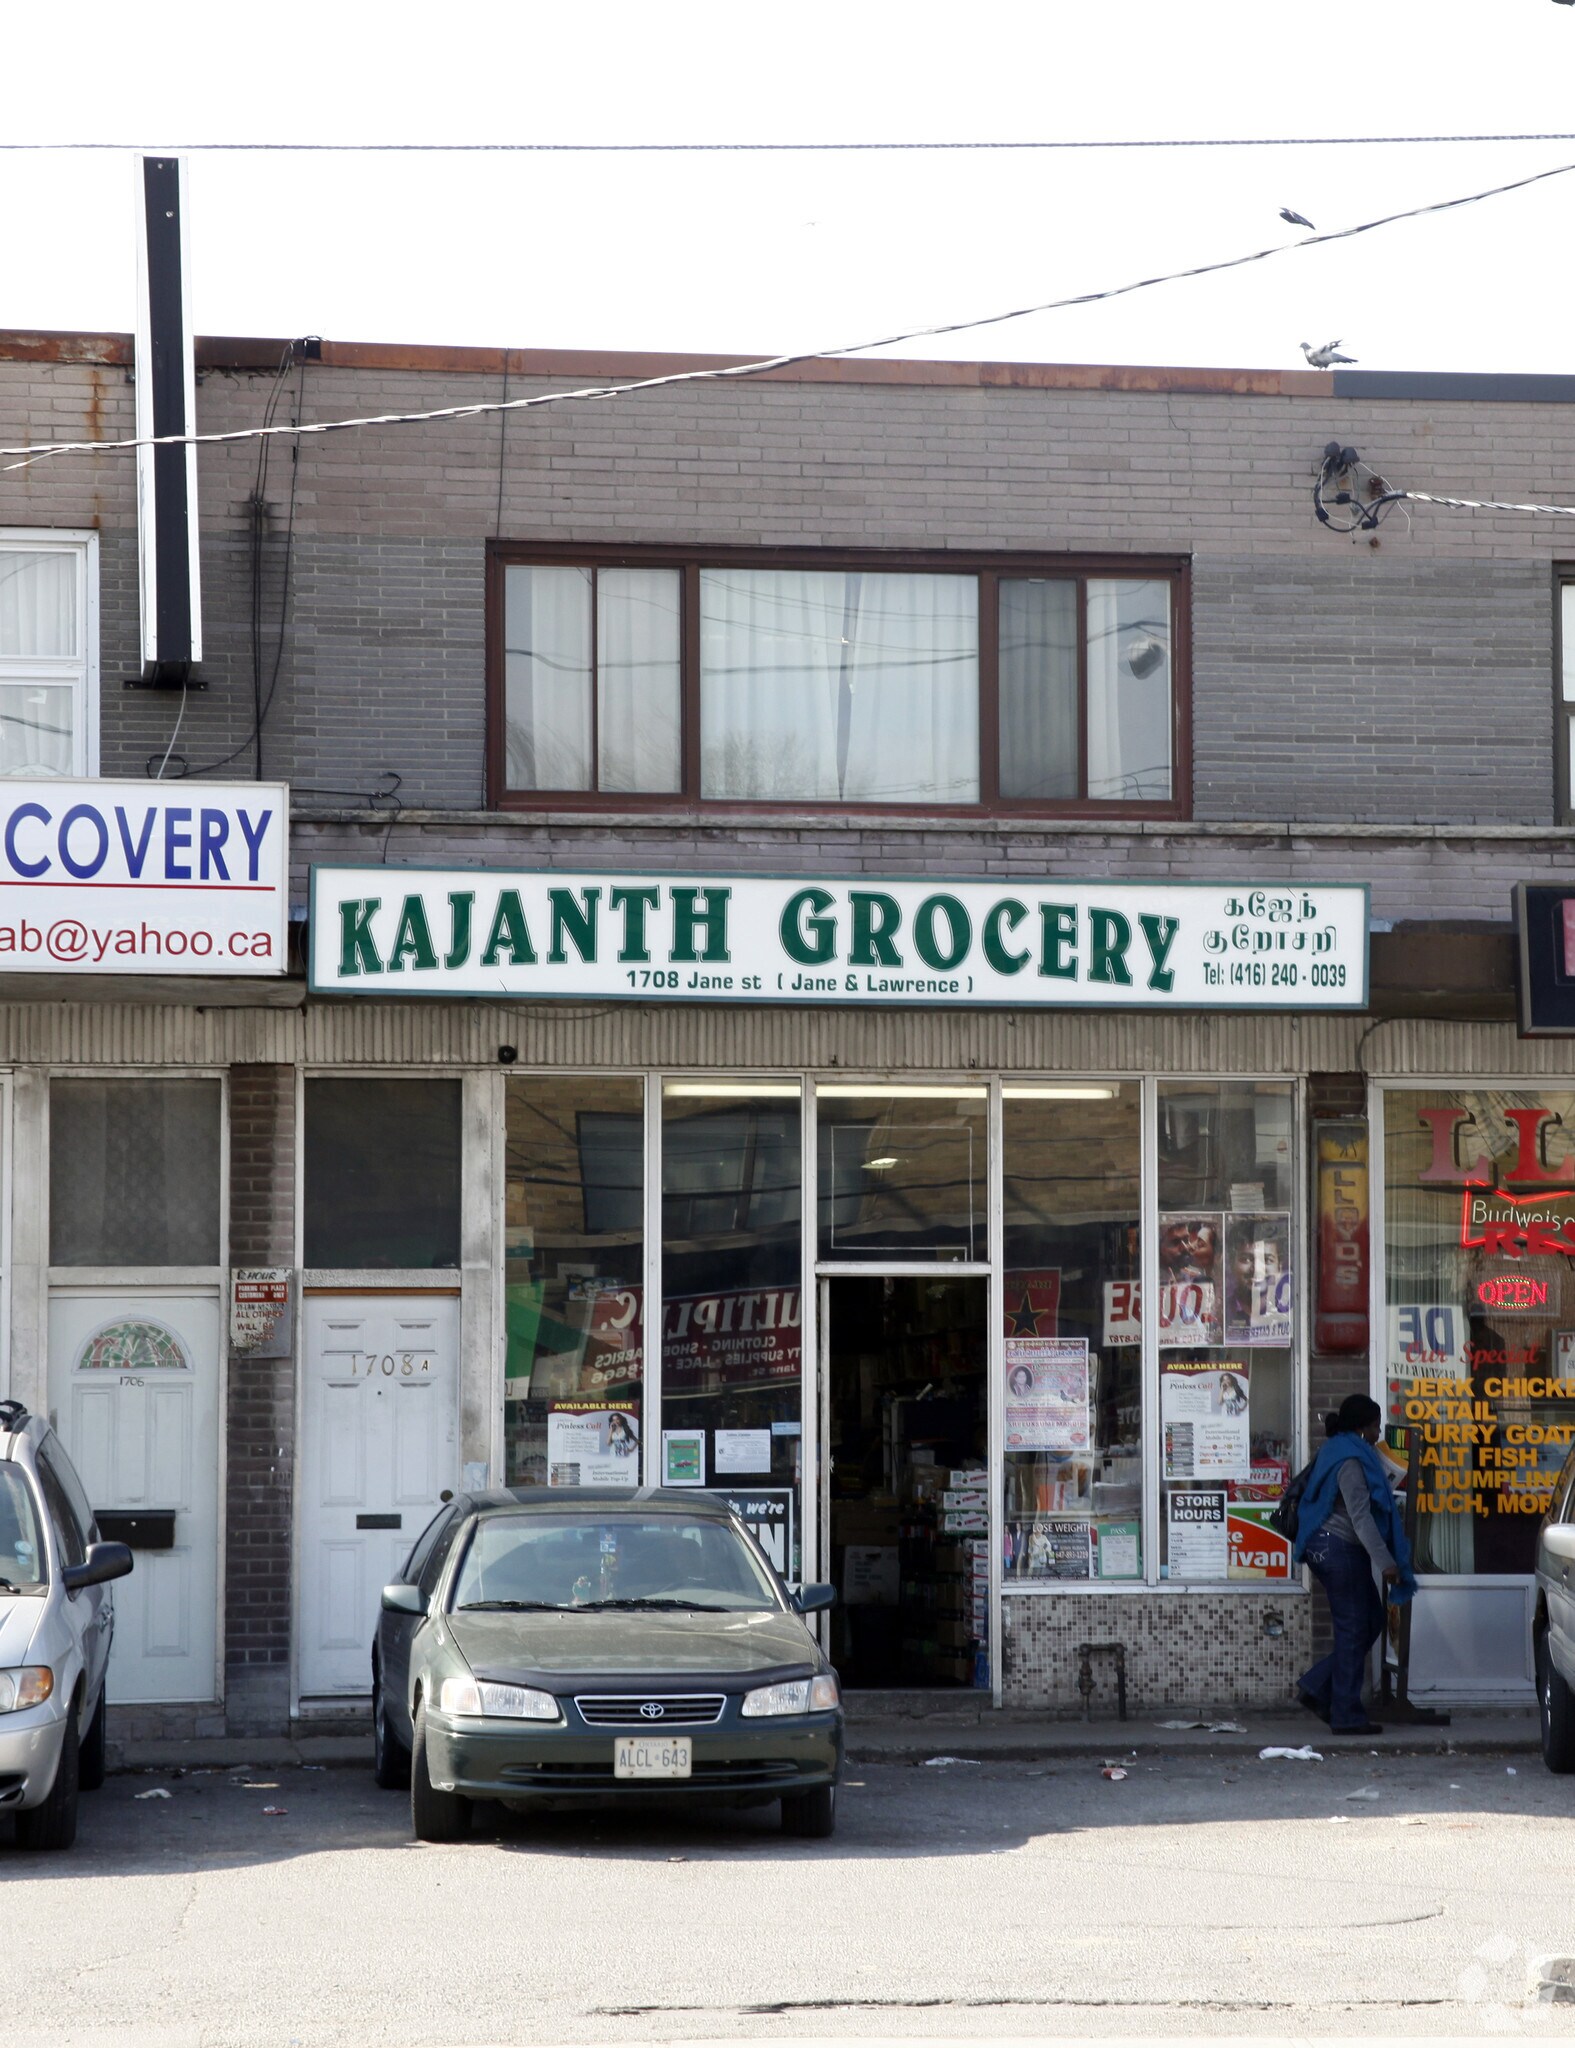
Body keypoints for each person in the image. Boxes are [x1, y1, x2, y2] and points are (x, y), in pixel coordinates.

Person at [1293, 1393, 1416, 1734]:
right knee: (1352, 1630)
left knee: (1371, 1620)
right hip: (1338, 1549)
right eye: (1375, 1426)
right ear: (1362, 1428)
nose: (1378, 1433)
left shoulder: (1339, 1449)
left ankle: (1319, 1686)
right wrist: (1387, 1563)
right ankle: (1346, 1714)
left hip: (1334, 1548)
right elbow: (1360, 1518)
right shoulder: (1350, 1460)